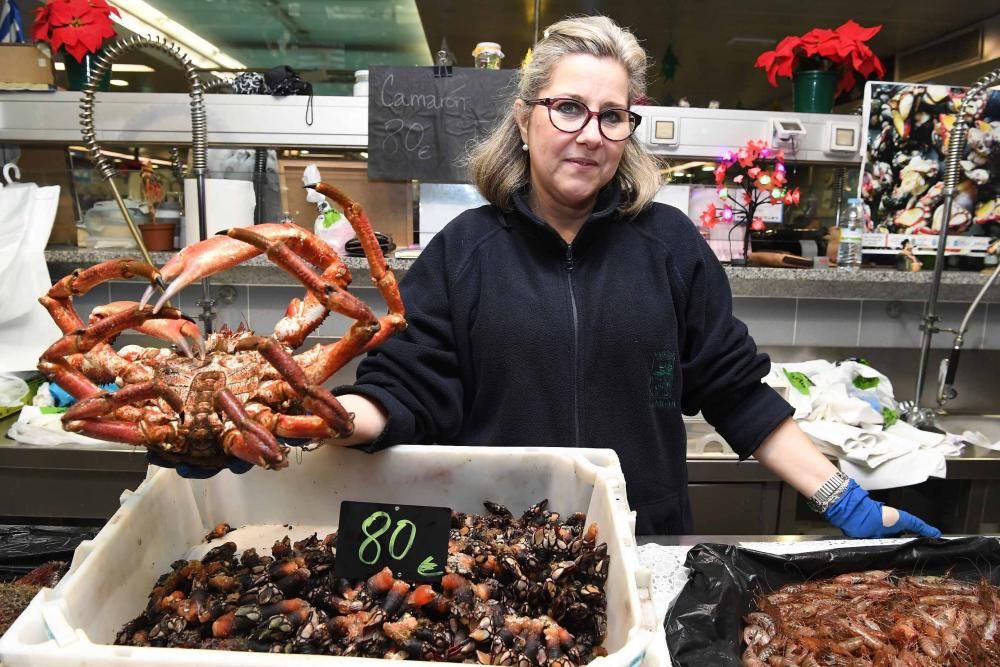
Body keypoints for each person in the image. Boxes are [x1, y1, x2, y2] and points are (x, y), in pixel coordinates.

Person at [165, 16, 941, 539]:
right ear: (526, 116)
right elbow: (406, 388)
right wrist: (316, 418)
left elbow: (737, 392)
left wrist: (845, 500)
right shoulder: (462, 251)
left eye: (613, 115)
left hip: (644, 545)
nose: (590, 135)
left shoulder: (670, 245)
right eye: (569, 108)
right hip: (494, 555)